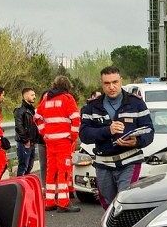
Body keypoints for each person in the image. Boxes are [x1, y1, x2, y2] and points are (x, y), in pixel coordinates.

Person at [80, 66, 154, 209]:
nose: (111, 87)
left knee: (125, 201)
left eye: (115, 82)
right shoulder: (92, 107)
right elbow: (84, 135)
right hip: (103, 163)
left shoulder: (136, 103)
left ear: (121, 81)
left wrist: (137, 141)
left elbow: (149, 131)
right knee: (108, 205)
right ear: (102, 84)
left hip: (130, 161)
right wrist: (108, 130)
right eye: (107, 83)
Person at [35, 76, 81, 211]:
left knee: (51, 171)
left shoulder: (46, 99)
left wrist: (44, 133)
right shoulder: (67, 99)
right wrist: (73, 136)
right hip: (63, 141)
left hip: (50, 141)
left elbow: (37, 117)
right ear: (67, 86)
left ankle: (49, 202)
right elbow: (76, 119)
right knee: (64, 171)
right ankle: (63, 203)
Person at [13, 87, 39, 176]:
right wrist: (26, 140)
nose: (34, 97)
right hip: (24, 143)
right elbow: (19, 126)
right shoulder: (20, 110)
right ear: (26, 96)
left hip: (32, 142)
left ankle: (25, 187)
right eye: (32, 95)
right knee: (23, 166)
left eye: (34, 95)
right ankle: (19, 187)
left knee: (29, 167)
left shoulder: (32, 110)